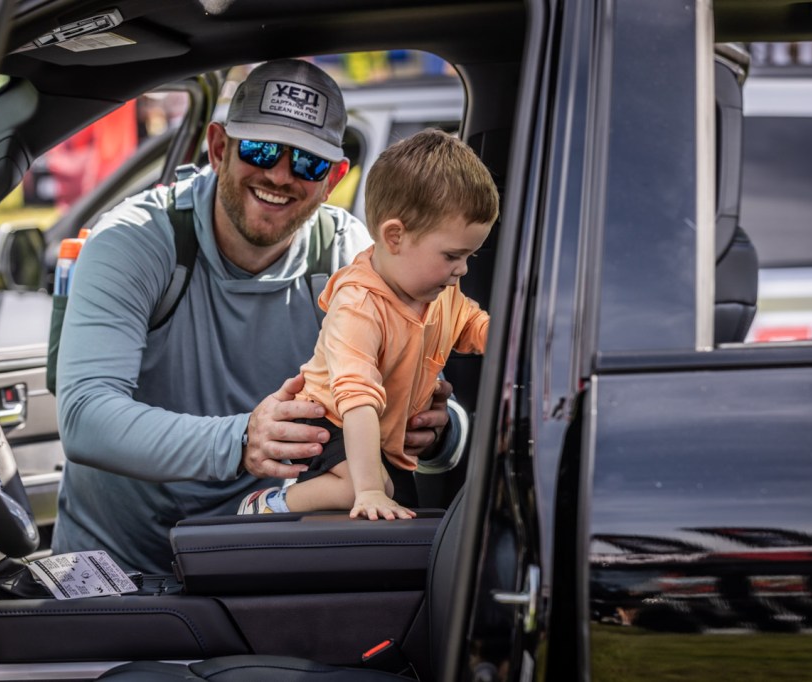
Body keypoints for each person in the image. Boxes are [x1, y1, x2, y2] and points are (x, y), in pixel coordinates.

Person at [52, 59, 464, 575]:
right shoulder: (134, 240)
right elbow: (85, 417)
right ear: (218, 148)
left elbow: (418, 407)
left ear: (333, 179)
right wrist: (242, 439)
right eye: (261, 149)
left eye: (308, 163)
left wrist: (437, 432)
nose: (280, 175)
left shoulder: (345, 257)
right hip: (114, 564)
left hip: (251, 557)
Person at [238, 129, 498, 520]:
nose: (461, 269)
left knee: (403, 508)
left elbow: (472, 325)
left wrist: (511, 338)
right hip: (331, 420)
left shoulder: (440, 291)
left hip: (381, 430)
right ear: (395, 236)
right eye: (451, 256)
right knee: (365, 490)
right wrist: (371, 490)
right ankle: (269, 505)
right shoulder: (358, 305)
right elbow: (357, 398)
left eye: (469, 257)